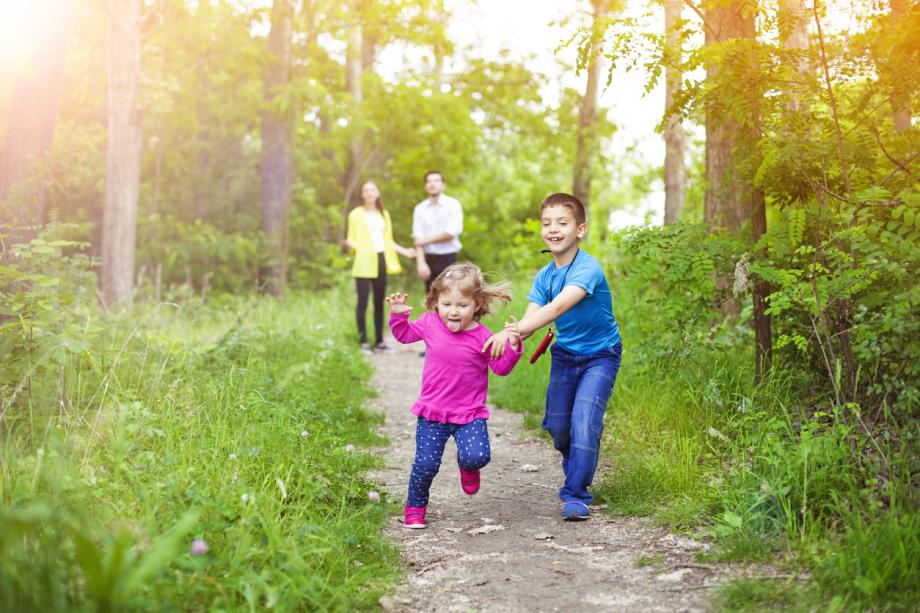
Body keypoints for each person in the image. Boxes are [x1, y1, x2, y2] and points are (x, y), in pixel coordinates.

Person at [483, 193, 622, 522]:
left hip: (601, 356)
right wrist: (511, 334)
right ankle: (577, 463)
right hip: (565, 356)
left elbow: (557, 308)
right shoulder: (545, 276)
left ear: (580, 229)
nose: (553, 229)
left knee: (584, 422)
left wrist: (515, 331)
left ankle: (576, 493)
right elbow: (533, 317)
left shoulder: (588, 268)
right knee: (560, 428)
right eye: (547, 223)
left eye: (562, 223)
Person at [386, 263, 523, 529]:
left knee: (477, 456)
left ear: (477, 304)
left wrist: (514, 345)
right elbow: (402, 335)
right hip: (432, 412)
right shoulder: (429, 323)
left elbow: (501, 368)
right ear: (436, 302)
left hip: (469, 413)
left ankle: (468, 466)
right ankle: (415, 506)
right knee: (425, 465)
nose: (453, 311)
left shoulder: (483, 336)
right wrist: (398, 315)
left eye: (461, 305)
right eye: (446, 304)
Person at [343, 181, 415, 352]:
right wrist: (351, 245)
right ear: (362, 194)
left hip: (381, 258)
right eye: (366, 190)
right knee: (362, 302)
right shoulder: (355, 214)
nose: (369, 192)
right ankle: (363, 342)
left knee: (379, 302)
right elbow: (350, 237)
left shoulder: (384, 214)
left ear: (378, 192)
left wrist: (405, 251)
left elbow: (388, 240)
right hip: (363, 260)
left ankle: (380, 342)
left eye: (372, 189)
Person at [412, 171, 463, 292]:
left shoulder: (453, 204)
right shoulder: (419, 209)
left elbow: (450, 233)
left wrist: (424, 240)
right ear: (425, 186)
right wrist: (421, 262)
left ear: (443, 185)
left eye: (436, 180)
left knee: (450, 298)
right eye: (429, 181)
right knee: (431, 300)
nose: (432, 184)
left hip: (448, 258)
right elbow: (417, 238)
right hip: (428, 259)